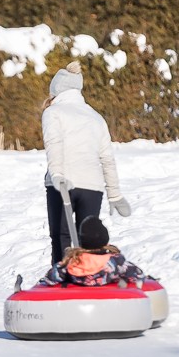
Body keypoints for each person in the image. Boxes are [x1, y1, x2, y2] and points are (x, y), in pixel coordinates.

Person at [42, 59, 131, 265]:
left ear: (56, 91)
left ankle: (62, 283)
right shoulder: (95, 117)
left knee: (62, 237)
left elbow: (54, 144)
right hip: (92, 187)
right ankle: (91, 280)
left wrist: (57, 175)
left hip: (62, 184)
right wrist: (114, 194)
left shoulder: (53, 112)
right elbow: (107, 159)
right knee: (88, 240)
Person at [37, 215, 145, 287]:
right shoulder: (115, 261)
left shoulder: (72, 261)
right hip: (107, 306)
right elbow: (137, 274)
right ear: (105, 242)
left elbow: (50, 279)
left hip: (76, 306)